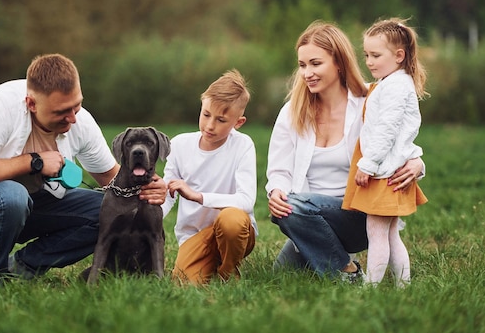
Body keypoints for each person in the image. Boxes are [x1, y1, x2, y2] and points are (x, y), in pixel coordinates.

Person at [0, 53, 167, 283]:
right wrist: (34, 161)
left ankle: (20, 268)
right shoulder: (0, 107)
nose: (72, 118)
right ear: (31, 104)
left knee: (104, 209)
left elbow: (112, 179)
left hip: (34, 204)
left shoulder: (78, 119)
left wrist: (149, 188)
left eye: (77, 106)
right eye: (61, 112)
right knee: (12, 197)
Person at [266, 21, 425, 282]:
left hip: (359, 215)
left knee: (296, 208)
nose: (307, 73)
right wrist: (276, 191)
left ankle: (348, 274)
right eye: (302, 65)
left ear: (338, 62)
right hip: (307, 219)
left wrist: (418, 163)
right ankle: (341, 262)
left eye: (316, 64)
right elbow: (279, 169)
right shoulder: (291, 112)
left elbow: (397, 135)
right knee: (281, 274)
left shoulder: (369, 101)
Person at [342, 18, 428, 287]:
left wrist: (368, 164)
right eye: (366, 54)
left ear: (399, 56)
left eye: (376, 55)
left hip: (384, 173)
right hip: (390, 169)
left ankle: (371, 286)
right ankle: (403, 286)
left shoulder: (394, 87)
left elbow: (386, 129)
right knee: (391, 235)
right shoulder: (391, 83)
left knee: (376, 233)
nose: (369, 61)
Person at [161, 69, 258, 284]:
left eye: (221, 120)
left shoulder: (243, 145)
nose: (210, 125)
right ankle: (208, 262)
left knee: (231, 219)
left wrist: (198, 196)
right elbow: (168, 195)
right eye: (206, 115)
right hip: (195, 236)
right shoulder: (179, 145)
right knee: (182, 281)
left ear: (238, 122)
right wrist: (151, 213)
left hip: (236, 232)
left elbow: (246, 201)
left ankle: (228, 271)